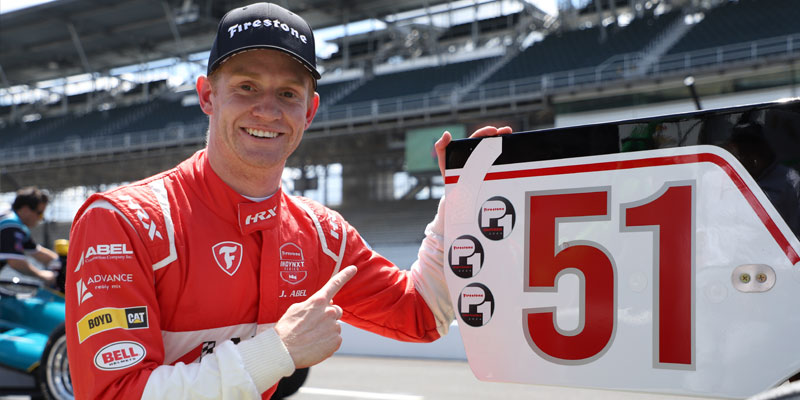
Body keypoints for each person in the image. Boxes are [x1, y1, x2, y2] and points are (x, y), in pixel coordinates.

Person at [64, 3, 511, 399]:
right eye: (246, 87)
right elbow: (112, 394)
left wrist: (461, 205)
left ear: (310, 111)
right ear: (206, 96)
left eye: (287, 94)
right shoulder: (123, 221)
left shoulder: (322, 235)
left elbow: (422, 315)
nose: (267, 109)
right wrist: (274, 352)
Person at [0, 186, 57, 285]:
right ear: (25, 209)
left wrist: (62, 262)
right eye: (39, 213)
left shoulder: (13, 222)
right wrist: (42, 275)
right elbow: (15, 262)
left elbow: (36, 252)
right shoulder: (11, 224)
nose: (40, 218)